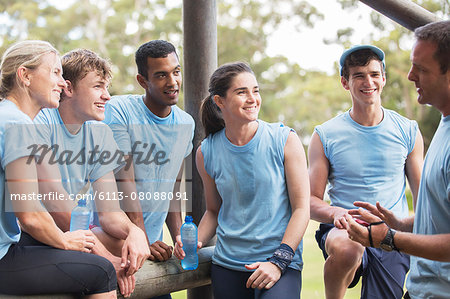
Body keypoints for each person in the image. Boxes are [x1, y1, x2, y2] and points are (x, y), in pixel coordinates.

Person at [174, 62, 310, 299]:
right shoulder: (206, 152)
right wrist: (196, 241)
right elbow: (214, 211)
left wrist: (279, 262)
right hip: (228, 267)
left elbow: (301, 209)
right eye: (241, 92)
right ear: (220, 101)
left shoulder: (284, 140)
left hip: (278, 264)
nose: (252, 98)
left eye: (255, 90)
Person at [0, 40, 117, 297]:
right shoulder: (17, 124)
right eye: (55, 72)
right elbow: (29, 215)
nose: (63, 83)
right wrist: (66, 240)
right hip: (3, 257)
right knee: (103, 271)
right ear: (25, 75)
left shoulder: (7, 116)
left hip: (8, 248)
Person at [342, 20, 450, 299]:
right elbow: (441, 214)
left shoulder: (412, 131)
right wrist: (400, 223)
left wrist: (390, 239)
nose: (410, 76)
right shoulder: (444, 123)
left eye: (421, 69)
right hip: (420, 290)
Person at [308, 44, 424, 299]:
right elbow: (310, 202)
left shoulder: (408, 131)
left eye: (373, 74)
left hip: (391, 233)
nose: (367, 81)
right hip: (344, 228)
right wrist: (334, 212)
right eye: (358, 75)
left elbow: (422, 198)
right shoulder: (324, 135)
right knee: (349, 249)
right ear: (345, 83)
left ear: (383, 78)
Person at [32, 48, 151, 297]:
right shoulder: (42, 121)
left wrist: (134, 231)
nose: (107, 96)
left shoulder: (100, 133)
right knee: (102, 266)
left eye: (106, 88)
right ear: (68, 88)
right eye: (98, 86)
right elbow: (54, 203)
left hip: (70, 233)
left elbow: (109, 212)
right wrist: (105, 258)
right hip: (34, 236)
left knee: (123, 244)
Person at [104, 40, 195, 299]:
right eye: (161, 75)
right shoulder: (119, 111)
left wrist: (177, 235)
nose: (173, 81)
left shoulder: (185, 124)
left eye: (176, 72)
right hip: (113, 242)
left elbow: (174, 189)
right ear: (143, 81)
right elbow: (124, 178)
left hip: (150, 246)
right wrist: (141, 237)